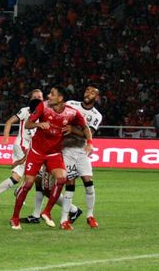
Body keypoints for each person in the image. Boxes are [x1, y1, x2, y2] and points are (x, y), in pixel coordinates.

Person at [10, 86, 92, 230]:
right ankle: (15, 217)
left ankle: (46, 212)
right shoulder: (43, 107)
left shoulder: (72, 113)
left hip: (54, 153)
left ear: (60, 98)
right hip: (37, 151)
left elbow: (85, 128)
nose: (48, 96)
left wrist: (89, 142)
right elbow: (28, 124)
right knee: (28, 184)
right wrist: (38, 124)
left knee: (61, 179)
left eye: (52, 94)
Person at [0, 90, 43, 205]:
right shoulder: (25, 111)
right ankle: (11, 193)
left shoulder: (44, 113)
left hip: (32, 148)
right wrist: (6, 137)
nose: (37, 98)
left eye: (39, 97)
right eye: (35, 97)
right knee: (34, 174)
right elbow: (9, 122)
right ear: (30, 99)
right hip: (22, 146)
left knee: (23, 176)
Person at [59, 85, 103, 230]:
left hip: (82, 151)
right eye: (87, 90)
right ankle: (64, 219)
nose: (88, 93)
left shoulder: (97, 115)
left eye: (92, 92)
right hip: (67, 150)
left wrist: (73, 129)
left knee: (89, 184)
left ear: (96, 98)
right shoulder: (71, 104)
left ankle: (90, 216)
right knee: (70, 184)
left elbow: (88, 133)